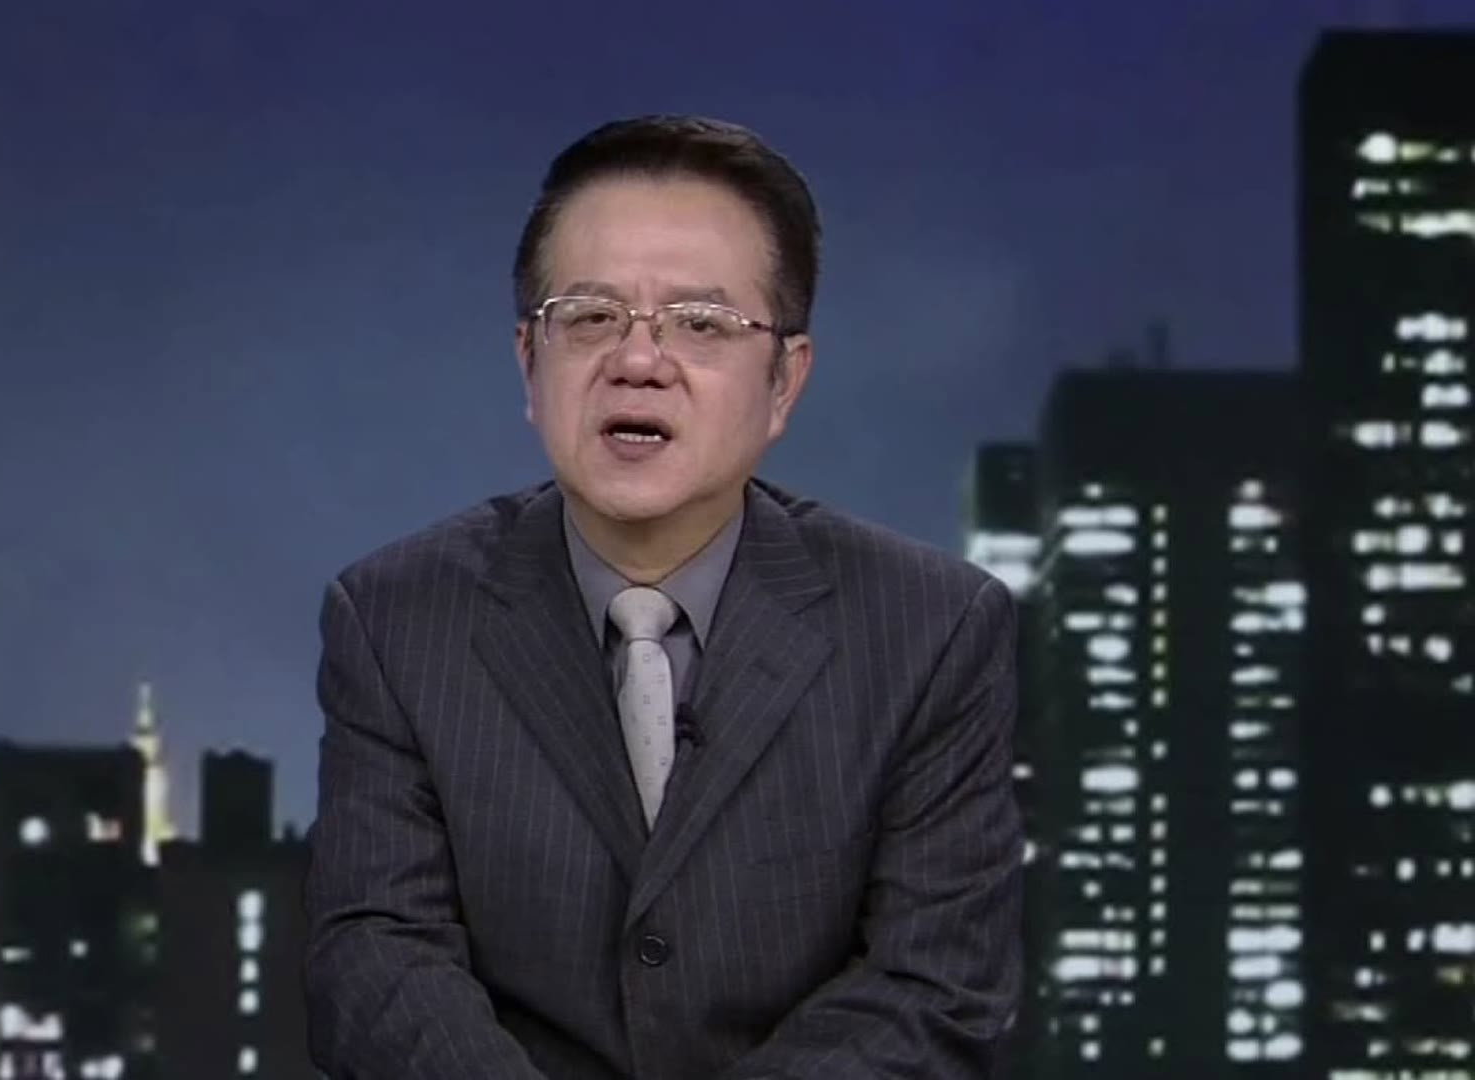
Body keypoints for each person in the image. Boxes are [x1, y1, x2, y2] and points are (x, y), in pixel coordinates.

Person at [303, 114, 1022, 1079]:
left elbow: (937, 987)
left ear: (785, 381)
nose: (638, 361)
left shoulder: (931, 629)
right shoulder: (394, 619)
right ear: (529, 362)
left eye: (701, 324)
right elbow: (375, 959)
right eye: (590, 317)